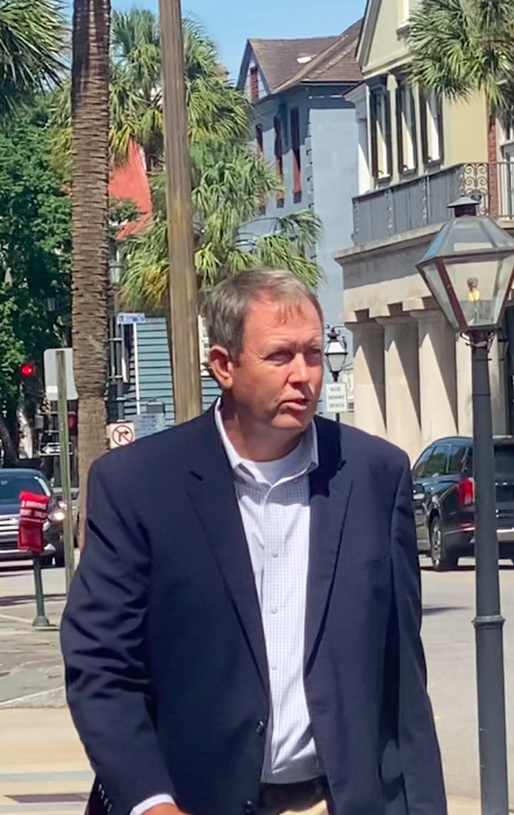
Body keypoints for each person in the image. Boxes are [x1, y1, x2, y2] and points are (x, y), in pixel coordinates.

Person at [62, 270, 446, 815]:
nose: (304, 376)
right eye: (280, 356)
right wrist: (150, 803)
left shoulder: (375, 475)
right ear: (224, 366)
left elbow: (403, 679)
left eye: (313, 353)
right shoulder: (139, 486)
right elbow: (101, 665)